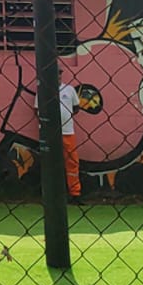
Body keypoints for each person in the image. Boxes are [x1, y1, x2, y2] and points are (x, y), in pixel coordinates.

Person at [58, 70, 81, 202]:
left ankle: (75, 193)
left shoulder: (69, 89)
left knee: (72, 161)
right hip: (50, 133)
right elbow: (37, 109)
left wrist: (66, 117)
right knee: (52, 162)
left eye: (59, 74)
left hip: (67, 131)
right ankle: (54, 193)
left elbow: (76, 107)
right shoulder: (43, 89)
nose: (58, 76)